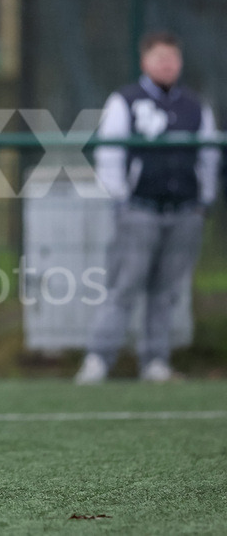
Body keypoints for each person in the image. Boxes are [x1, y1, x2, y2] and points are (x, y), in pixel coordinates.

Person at [76, 31, 219, 384]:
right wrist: (122, 199)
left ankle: (155, 361)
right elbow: (109, 153)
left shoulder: (195, 106)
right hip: (139, 209)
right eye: (160, 58)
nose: (167, 64)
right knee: (125, 285)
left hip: (185, 211)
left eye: (172, 58)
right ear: (145, 61)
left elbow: (210, 156)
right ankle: (98, 359)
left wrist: (204, 201)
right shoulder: (125, 101)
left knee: (167, 291)